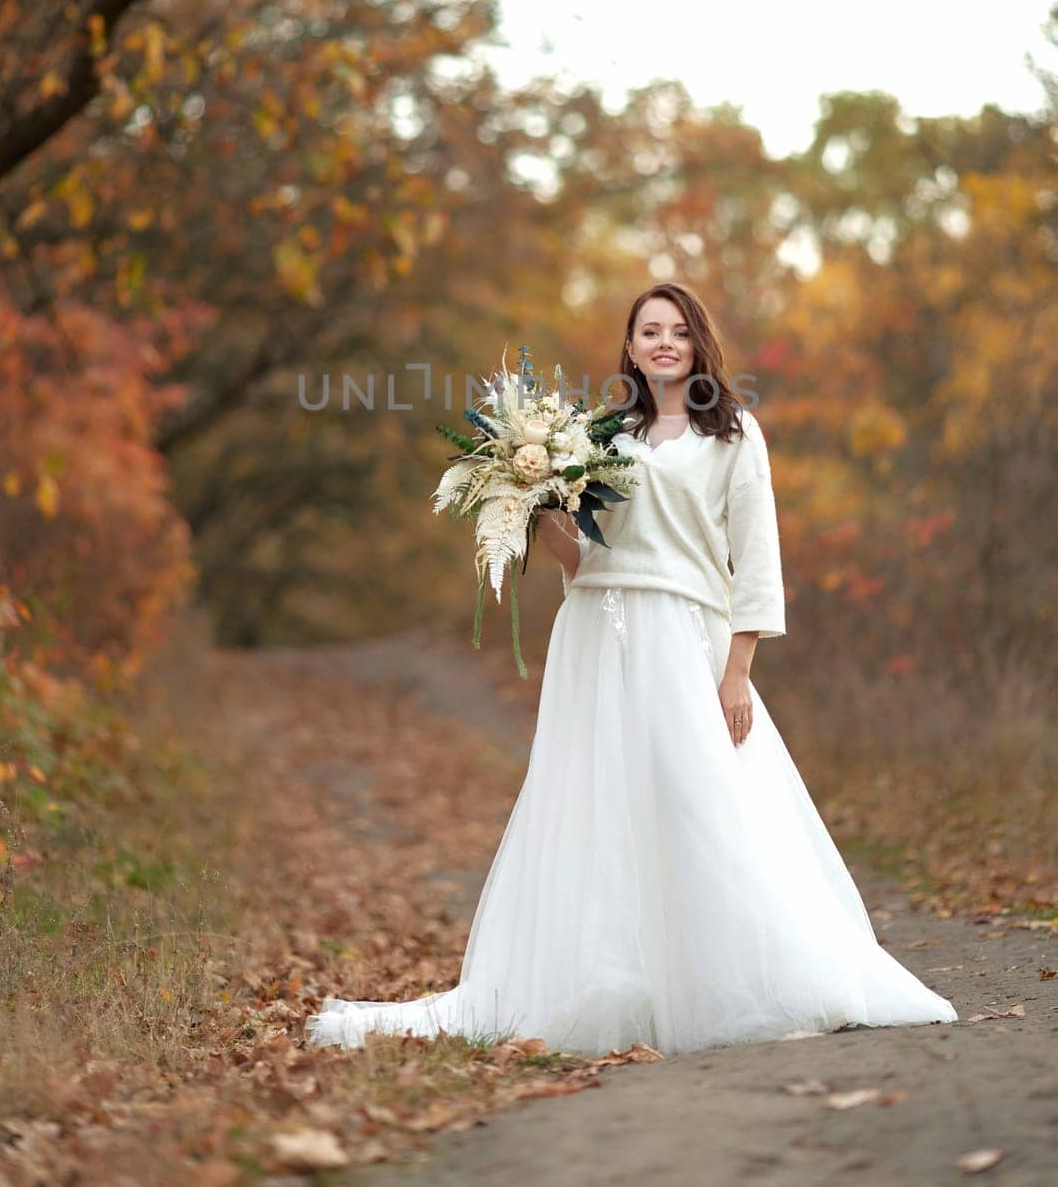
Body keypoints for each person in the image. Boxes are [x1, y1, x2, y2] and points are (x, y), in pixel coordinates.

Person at [306, 282, 958, 1056]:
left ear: (696, 345)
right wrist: (537, 507)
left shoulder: (732, 436)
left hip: (687, 636)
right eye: (648, 331)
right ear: (628, 345)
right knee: (596, 799)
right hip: (596, 631)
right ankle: (609, 980)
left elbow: (754, 559)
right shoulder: (599, 436)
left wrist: (738, 669)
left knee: (698, 799)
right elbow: (584, 563)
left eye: (676, 332)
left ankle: (732, 976)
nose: (662, 343)